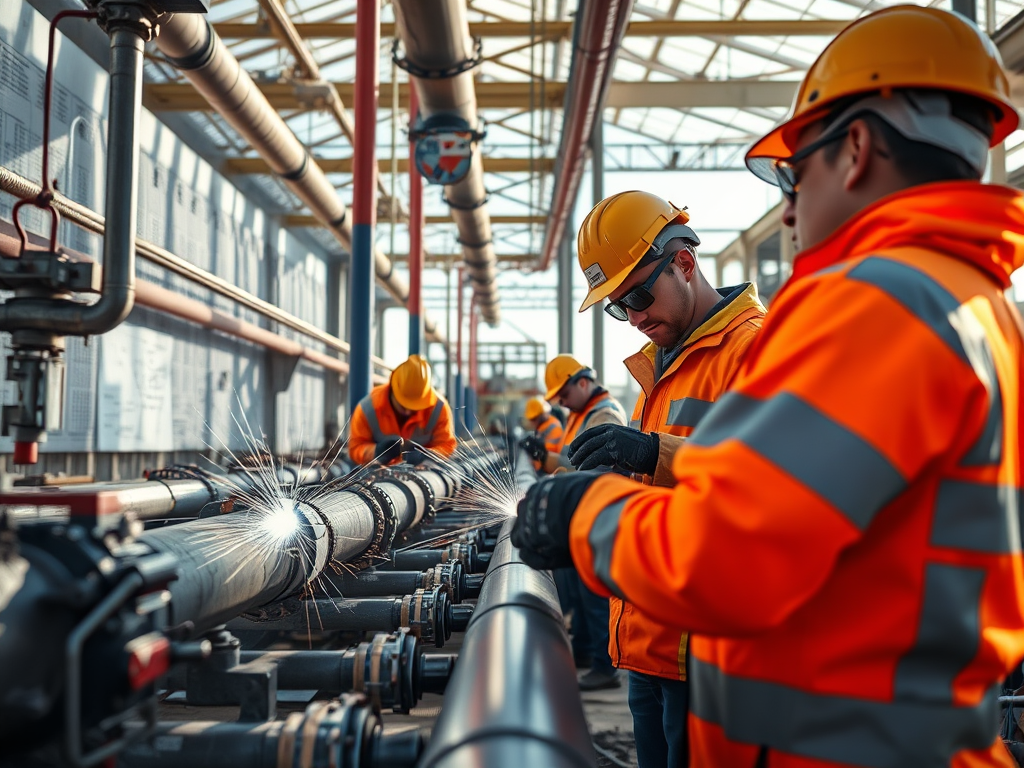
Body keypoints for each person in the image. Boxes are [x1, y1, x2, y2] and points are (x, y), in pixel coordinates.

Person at [513, 7, 1024, 766]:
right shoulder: (971, 304)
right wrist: (654, 458)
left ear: (854, 149)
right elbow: (789, 497)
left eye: (793, 172)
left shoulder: (880, 303)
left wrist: (585, 512)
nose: (786, 206)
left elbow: (728, 557)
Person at [566, 191, 765, 767]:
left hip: (704, 653)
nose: (633, 317)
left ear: (683, 263)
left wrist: (654, 450)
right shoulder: (668, 364)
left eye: (637, 295)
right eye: (616, 307)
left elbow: (766, 474)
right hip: (648, 641)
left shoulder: (752, 348)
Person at [523, 354, 628, 690]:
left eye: (564, 395)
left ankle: (604, 666)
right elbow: (574, 457)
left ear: (582, 382)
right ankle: (584, 650)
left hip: (596, 514)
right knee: (581, 593)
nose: (562, 403)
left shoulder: (604, 413)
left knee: (595, 597)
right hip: (581, 513)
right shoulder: (582, 413)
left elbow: (597, 470)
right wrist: (546, 457)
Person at [349, 354, 457, 465]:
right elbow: (356, 448)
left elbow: (447, 445)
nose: (408, 412)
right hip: (378, 477)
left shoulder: (438, 409)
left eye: (415, 407)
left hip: (423, 475)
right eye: (403, 405)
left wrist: (427, 455)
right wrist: (375, 451)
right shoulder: (368, 408)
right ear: (393, 388)